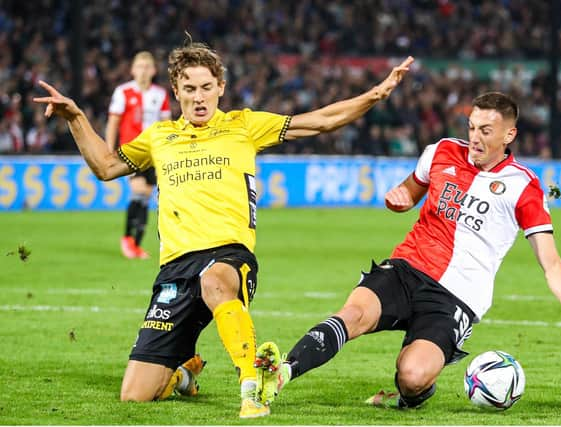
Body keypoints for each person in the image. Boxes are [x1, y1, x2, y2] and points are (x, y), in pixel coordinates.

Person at [33, 40, 413, 418]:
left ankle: (254, 385)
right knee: (135, 394)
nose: (199, 97)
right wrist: (75, 117)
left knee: (215, 281)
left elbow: (320, 120)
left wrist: (375, 95)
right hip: (175, 270)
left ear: (221, 88)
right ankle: (183, 375)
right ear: (176, 91)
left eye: (206, 88)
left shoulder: (243, 126)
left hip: (228, 257)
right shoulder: (159, 137)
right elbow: (105, 167)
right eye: (189, 89)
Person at [253, 91, 561, 411]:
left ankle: (412, 396)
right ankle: (282, 373)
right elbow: (409, 192)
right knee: (353, 315)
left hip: (458, 297)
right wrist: (399, 200)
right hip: (408, 268)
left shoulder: (524, 187)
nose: (475, 137)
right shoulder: (441, 152)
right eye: (472, 127)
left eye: (486, 131)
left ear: (509, 134)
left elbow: (550, 262)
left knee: (411, 375)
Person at [105, 51, 171, 259]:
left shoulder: (160, 94)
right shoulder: (123, 92)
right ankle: (127, 239)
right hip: (131, 151)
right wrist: (109, 150)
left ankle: (136, 244)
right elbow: (113, 122)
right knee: (139, 191)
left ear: (153, 70)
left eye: (146, 66)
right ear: (133, 70)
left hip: (154, 153)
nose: (143, 70)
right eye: (139, 66)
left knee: (145, 197)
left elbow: (166, 125)